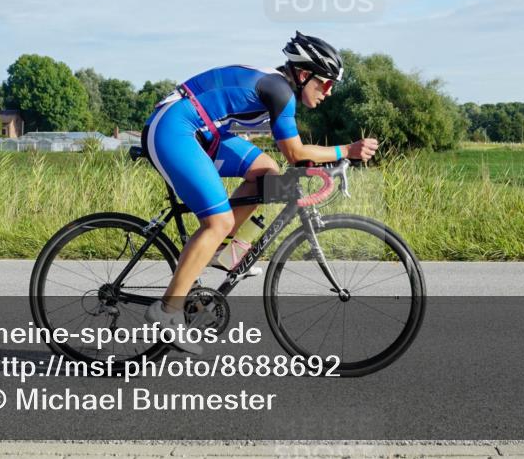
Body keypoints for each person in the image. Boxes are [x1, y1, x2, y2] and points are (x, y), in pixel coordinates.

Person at [142, 32, 379, 353]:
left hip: (203, 131)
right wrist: (346, 150)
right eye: (325, 82)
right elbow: (295, 153)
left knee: (267, 174)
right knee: (217, 222)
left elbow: (288, 159)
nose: (329, 91)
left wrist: (333, 159)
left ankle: (227, 255)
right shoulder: (280, 91)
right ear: (304, 73)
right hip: (176, 128)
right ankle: (167, 312)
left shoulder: (278, 87)